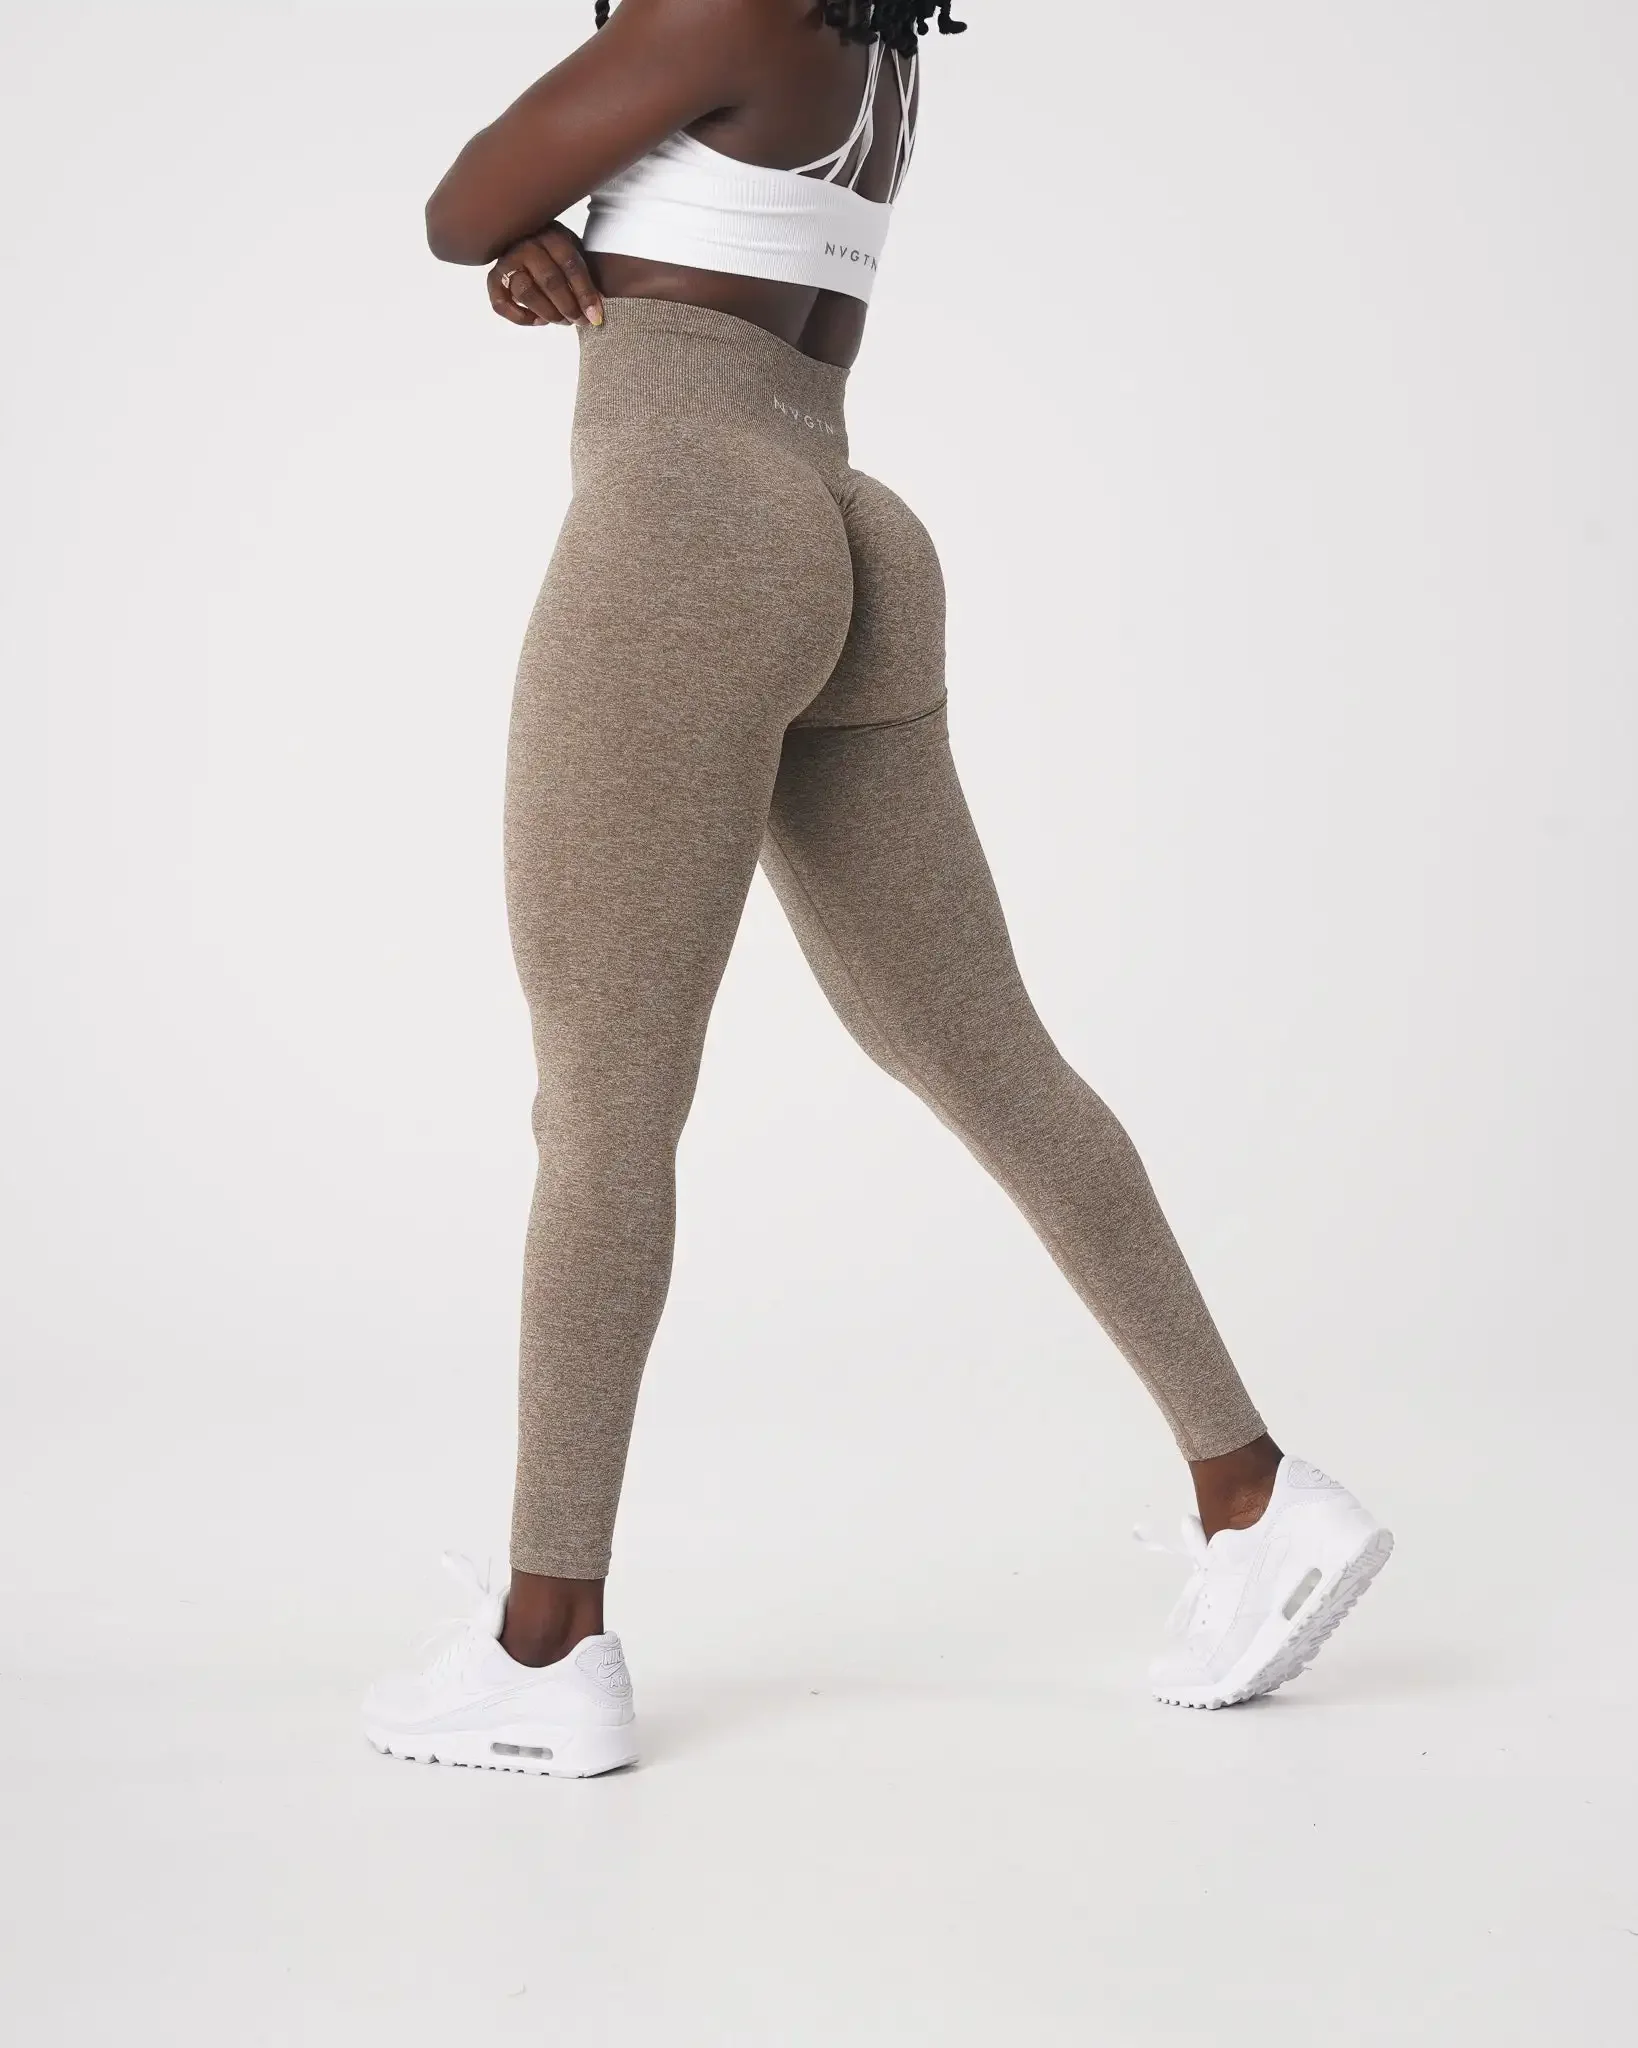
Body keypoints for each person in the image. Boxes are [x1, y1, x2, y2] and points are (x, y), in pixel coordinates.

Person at [362, 0, 1392, 1777]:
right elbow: (573, 224)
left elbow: (461, 203)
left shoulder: (719, 4)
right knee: (978, 1049)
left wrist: (516, 235)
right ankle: (1252, 1494)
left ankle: (544, 1646)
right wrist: (544, 236)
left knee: (602, 1107)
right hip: (839, 517)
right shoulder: (867, 36)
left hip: (684, 531)